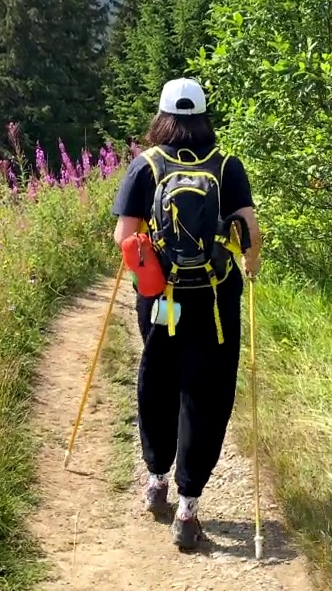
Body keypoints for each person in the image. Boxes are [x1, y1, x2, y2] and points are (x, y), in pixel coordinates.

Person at [111, 77, 261, 551]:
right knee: (207, 395)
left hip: (160, 302)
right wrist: (248, 266)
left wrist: (151, 276)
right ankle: (189, 507)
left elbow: (124, 238)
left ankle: (156, 479)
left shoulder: (145, 166)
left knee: (157, 382)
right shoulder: (227, 165)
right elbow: (251, 236)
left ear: (161, 118)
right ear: (203, 117)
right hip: (215, 301)